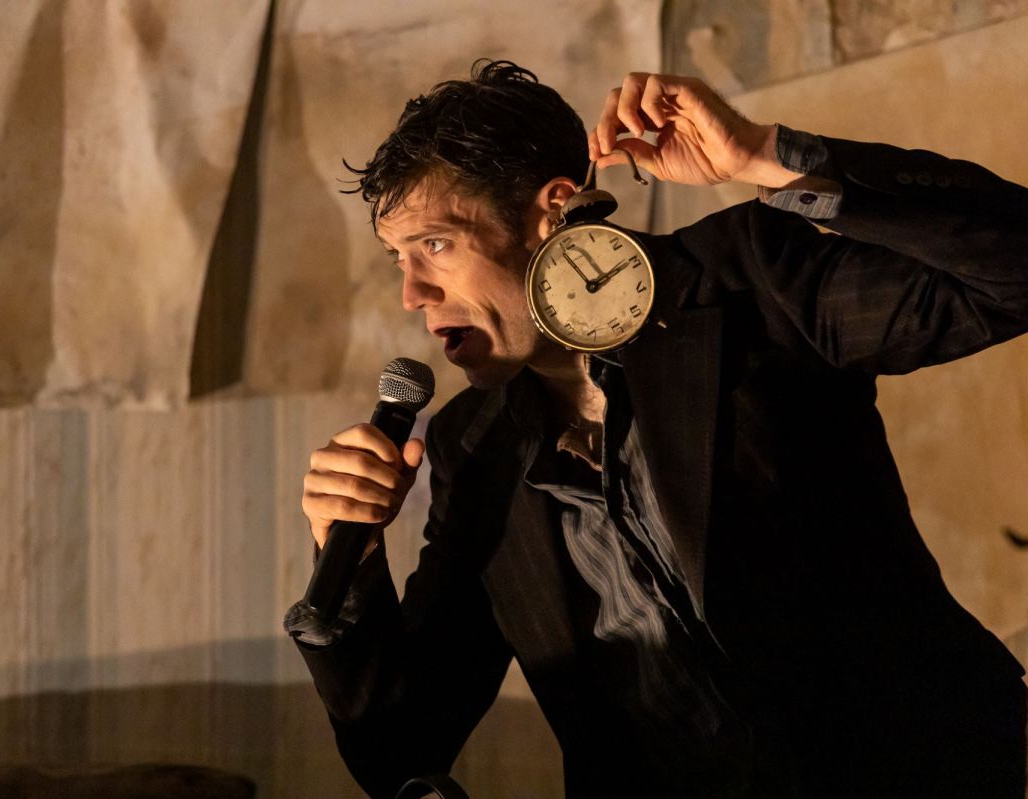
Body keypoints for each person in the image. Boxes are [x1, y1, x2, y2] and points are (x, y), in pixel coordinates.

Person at [284, 59, 1028, 797]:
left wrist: (768, 156)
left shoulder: (744, 282)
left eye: (436, 245)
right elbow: (402, 747)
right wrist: (347, 556)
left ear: (551, 210)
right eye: (397, 260)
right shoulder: (469, 446)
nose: (412, 293)